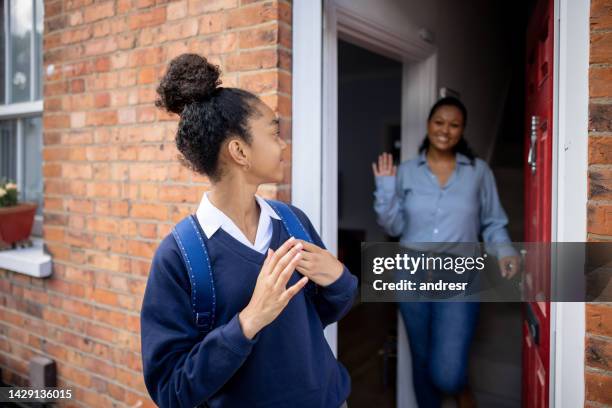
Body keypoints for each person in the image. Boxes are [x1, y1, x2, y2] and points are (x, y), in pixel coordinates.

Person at [140, 53, 357, 408]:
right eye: (273, 132)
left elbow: (321, 315)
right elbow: (171, 391)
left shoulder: (292, 221)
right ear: (239, 151)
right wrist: (248, 321)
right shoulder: (179, 257)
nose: (283, 144)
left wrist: (339, 279)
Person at [371, 97, 519, 408]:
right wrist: (385, 188)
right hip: (411, 274)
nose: (445, 130)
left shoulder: (478, 172)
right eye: (439, 122)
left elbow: (493, 222)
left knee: (447, 372)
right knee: (421, 359)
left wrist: (505, 251)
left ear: (462, 130)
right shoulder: (407, 172)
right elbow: (394, 227)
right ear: (429, 125)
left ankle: (460, 387)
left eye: (454, 125)